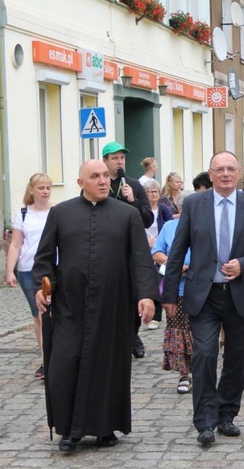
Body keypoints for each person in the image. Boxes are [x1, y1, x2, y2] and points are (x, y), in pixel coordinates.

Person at [33, 159, 158, 453]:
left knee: (108, 364)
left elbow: (140, 258)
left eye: (105, 175)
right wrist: (44, 285)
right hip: (69, 304)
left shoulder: (127, 215)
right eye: (95, 176)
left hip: (114, 303)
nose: (103, 181)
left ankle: (104, 428)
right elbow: (44, 259)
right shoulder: (61, 214)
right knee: (64, 364)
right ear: (81, 183)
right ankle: (68, 429)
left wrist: (146, 294)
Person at [162, 151, 244, 446]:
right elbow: (177, 250)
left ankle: (226, 413)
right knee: (204, 355)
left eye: (230, 169)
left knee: (237, 360)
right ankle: (204, 421)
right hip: (204, 295)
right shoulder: (193, 204)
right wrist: (168, 294)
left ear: (238, 173)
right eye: (219, 169)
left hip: (241, 293)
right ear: (210, 174)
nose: (225, 174)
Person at [102, 141, 154, 358]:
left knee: (133, 296)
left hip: (130, 249)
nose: (119, 161)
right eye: (115, 158)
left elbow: (148, 220)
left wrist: (132, 200)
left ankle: (132, 334)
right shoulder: (98, 184)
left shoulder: (133, 185)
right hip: (105, 250)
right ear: (105, 161)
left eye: (122, 157)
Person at [5, 173, 53, 379]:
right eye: (41, 188)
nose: (45, 191)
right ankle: (46, 360)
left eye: (48, 187)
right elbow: (16, 244)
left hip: (51, 269)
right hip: (28, 270)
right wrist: (10, 270)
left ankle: (53, 358)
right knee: (39, 315)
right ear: (31, 190)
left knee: (51, 314)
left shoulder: (57, 211)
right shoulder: (23, 214)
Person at [152, 219, 193, 394]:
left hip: (202, 288)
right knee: (179, 332)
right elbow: (156, 252)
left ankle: (202, 372)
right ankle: (185, 374)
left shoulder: (206, 223)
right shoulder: (170, 226)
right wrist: (175, 263)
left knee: (201, 333)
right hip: (176, 290)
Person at [144, 180, 174, 330]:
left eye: (155, 191)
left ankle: (156, 316)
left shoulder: (164, 209)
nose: (153, 194)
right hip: (144, 248)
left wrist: (156, 241)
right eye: (150, 191)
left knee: (158, 279)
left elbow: (169, 227)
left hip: (160, 248)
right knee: (148, 280)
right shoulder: (142, 210)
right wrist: (146, 240)